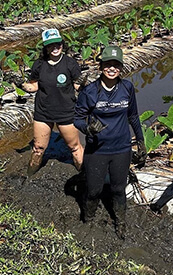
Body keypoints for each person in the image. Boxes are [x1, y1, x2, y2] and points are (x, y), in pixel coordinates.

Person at [74, 45, 146, 240]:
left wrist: (140, 141)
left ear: (121, 67)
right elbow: (78, 118)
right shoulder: (90, 91)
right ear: (101, 66)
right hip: (97, 149)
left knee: (117, 189)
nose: (112, 68)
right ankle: (88, 219)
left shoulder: (127, 88)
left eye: (116, 65)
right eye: (108, 64)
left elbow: (133, 116)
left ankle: (120, 222)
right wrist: (87, 129)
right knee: (94, 190)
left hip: (121, 148)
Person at [21, 28, 84, 176]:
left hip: (66, 112)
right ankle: (29, 175)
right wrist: (21, 85)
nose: (55, 48)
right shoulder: (39, 64)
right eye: (51, 45)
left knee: (75, 147)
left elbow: (77, 86)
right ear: (46, 47)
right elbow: (34, 86)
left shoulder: (70, 63)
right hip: (43, 112)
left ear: (62, 44)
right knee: (38, 148)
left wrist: (85, 85)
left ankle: (84, 175)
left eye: (58, 44)